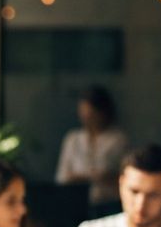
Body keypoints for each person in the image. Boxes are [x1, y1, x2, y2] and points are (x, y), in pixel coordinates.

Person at [54, 86, 128, 214]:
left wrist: (81, 177)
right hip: (75, 206)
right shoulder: (73, 139)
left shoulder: (117, 140)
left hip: (108, 205)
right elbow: (62, 177)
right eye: (83, 114)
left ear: (102, 113)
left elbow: (119, 177)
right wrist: (95, 177)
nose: (87, 118)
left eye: (92, 114)